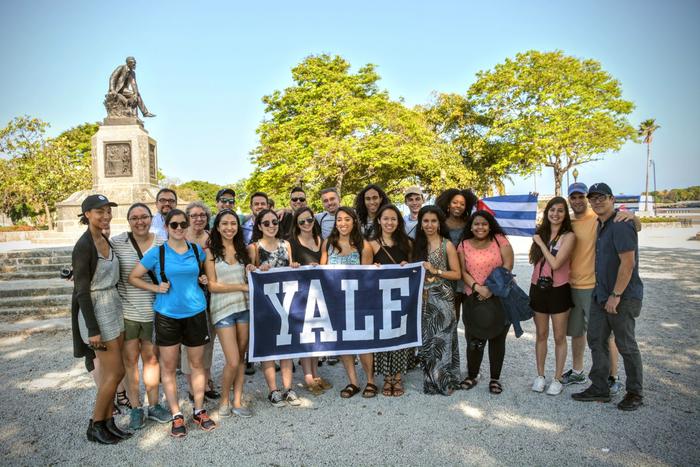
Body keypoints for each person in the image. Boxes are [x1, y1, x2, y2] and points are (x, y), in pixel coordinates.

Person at [128, 209, 216, 437]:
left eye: (182, 224)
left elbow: (201, 275)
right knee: (168, 367)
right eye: (174, 225)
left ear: (187, 227)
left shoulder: (197, 250)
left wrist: (202, 279)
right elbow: (133, 277)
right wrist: (155, 288)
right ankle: (177, 414)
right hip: (167, 315)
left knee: (197, 365)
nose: (179, 228)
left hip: (195, 312)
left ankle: (199, 409)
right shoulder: (157, 253)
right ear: (166, 227)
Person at [562, 182, 640, 396]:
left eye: (582, 197)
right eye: (574, 197)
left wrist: (632, 216)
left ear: (611, 199)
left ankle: (618, 382)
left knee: (616, 341)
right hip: (582, 288)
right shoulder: (578, 222)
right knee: (587, 336)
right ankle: (588, 378)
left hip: (605, 290)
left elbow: (628, 259)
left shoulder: (610, 220)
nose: (579, 201)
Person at [71, 194, 130, 444]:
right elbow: (81, 290)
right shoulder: (84, 246)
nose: (105, 215)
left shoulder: (104, 238)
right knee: (115, 373)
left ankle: (107, 422)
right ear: (87, 215)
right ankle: (95, 425)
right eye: (99, 211)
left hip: (113, 306)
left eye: (108, 210)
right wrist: (92, 329)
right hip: (96, 309)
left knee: (113, 372)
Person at [111, 203, 171, 430]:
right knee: (130, 362)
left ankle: (154, 405)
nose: (140, 221)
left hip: (154, 311)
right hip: (127, 312)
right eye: (134, 218)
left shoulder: (160, 243)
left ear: (150, 218)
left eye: (144, 217)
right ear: (128, 221)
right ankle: (136, 407)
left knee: (152, 360)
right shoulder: (118, 243)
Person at [247, 208, 302, 407]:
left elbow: (290, 266)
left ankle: (288, 388)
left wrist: (294, 265)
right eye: (266, 223)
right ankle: (273, 390)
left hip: (286, 301)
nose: (271, 226)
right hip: (265, 304)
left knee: (286, 345)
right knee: (269, 348)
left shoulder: (286, 244)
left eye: (274, 222)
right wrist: (255, 268)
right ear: (259, 226)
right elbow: (249, 271)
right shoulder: (254, 247)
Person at [320, 207, 376, 398]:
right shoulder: (328, 243)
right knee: (344, 343)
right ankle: (353, 381)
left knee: (363, 343)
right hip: (336, 302)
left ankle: (370, 380)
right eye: (339, 220)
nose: (342, 223)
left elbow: (368, 277)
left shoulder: (364, 246)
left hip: (358, 302)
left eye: (347, 219)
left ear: (354, 222)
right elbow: (322, 271)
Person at [457, 210, 514, 395]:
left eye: (484, 224)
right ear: (471, 226)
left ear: (490, 225)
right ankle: (472, 375)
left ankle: (495, 378)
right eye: (476, 224)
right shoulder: (463, 245)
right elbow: (462, 271)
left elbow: (508, 265)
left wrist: (490, 288)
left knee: (498, 338)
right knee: (474, 337)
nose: (480, 227)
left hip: (500, 295)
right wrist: (477, 288)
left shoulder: (500, 240)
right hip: (473, 296)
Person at [205, 209, 254, 418]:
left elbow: (252, 277)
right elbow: (213, 286)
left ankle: (237, 400)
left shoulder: (245, 251)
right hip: (223, 310)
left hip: (244, 308)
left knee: (241, 358)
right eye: (224, 224)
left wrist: (252, 269)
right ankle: (224, 400)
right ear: (217, 227)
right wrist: (242, 287)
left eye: (233, 223)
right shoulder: (211, 253)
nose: (229, 228)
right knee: (232, 360)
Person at [528, 197, 576, 396]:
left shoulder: (569, 236)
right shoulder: (542, 232)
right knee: (541, 334)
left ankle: (557, 378)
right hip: (538, 287)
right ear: (546, 212)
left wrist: (541, 243)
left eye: (560, 211)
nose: (555, 214)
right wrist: (540, 239)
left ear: (565, 215)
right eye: (552, 210)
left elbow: (556, 264)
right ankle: (540, 375)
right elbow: (535, 261)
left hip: (558, 289)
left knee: (558, 336)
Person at [413, 205, 461, 395]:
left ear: (439, 223)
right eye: (426, 221)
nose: (429, 224)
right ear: (421, 223)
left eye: (433, 221)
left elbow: (457, 274)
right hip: (422, 300)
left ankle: (446, 381)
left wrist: (436, 271)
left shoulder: (446, 244)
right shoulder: (416, 245)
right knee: (427, 339)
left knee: (443, 339)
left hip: (442, 299)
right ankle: (431, 381)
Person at [369, 204, 413, 397]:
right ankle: (387, 376)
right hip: (380, 299)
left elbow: (415, 269)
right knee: (383, 336)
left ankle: (397, 376)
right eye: (385, 218)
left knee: (400, 335)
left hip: (402, 299)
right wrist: (373, 267)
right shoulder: (371, 244)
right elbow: (364, 271)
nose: (389, 222)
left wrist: (408, 265)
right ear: (379, 220)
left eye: (393, 219)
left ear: (398, 222)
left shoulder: (408, 243)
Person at [288, 207, 333, 395]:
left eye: (310, 220)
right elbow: (288, 265)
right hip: (301, 295)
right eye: (302, 221)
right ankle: (307, 376)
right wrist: (296, 266)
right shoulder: (290, 242)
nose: (307, 224)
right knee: (305, 335)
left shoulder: (320, 240)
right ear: (296, 224)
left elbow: (326, 264)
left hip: (319, 294)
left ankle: (315, 373)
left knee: (316, 335)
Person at [182, 201, 219, 401]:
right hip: (186, 297)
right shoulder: (179, 237)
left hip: (209, 294)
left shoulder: (212, 238)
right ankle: (191, 386)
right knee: (189, 343)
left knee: (208, 340)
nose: (198, 219)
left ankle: (206, 379)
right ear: (188, 218)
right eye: (194, 215)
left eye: (202, 215)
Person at [435, 188, 478, 323]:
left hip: (467, 274)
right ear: (448, 204)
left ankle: (471, 344)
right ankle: (453, 344)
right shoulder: (439, 223)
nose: (458, 206)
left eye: (462, 204)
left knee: (470, 317)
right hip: (447, 274)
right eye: (455, 202)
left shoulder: (470, 224)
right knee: (452, 317)